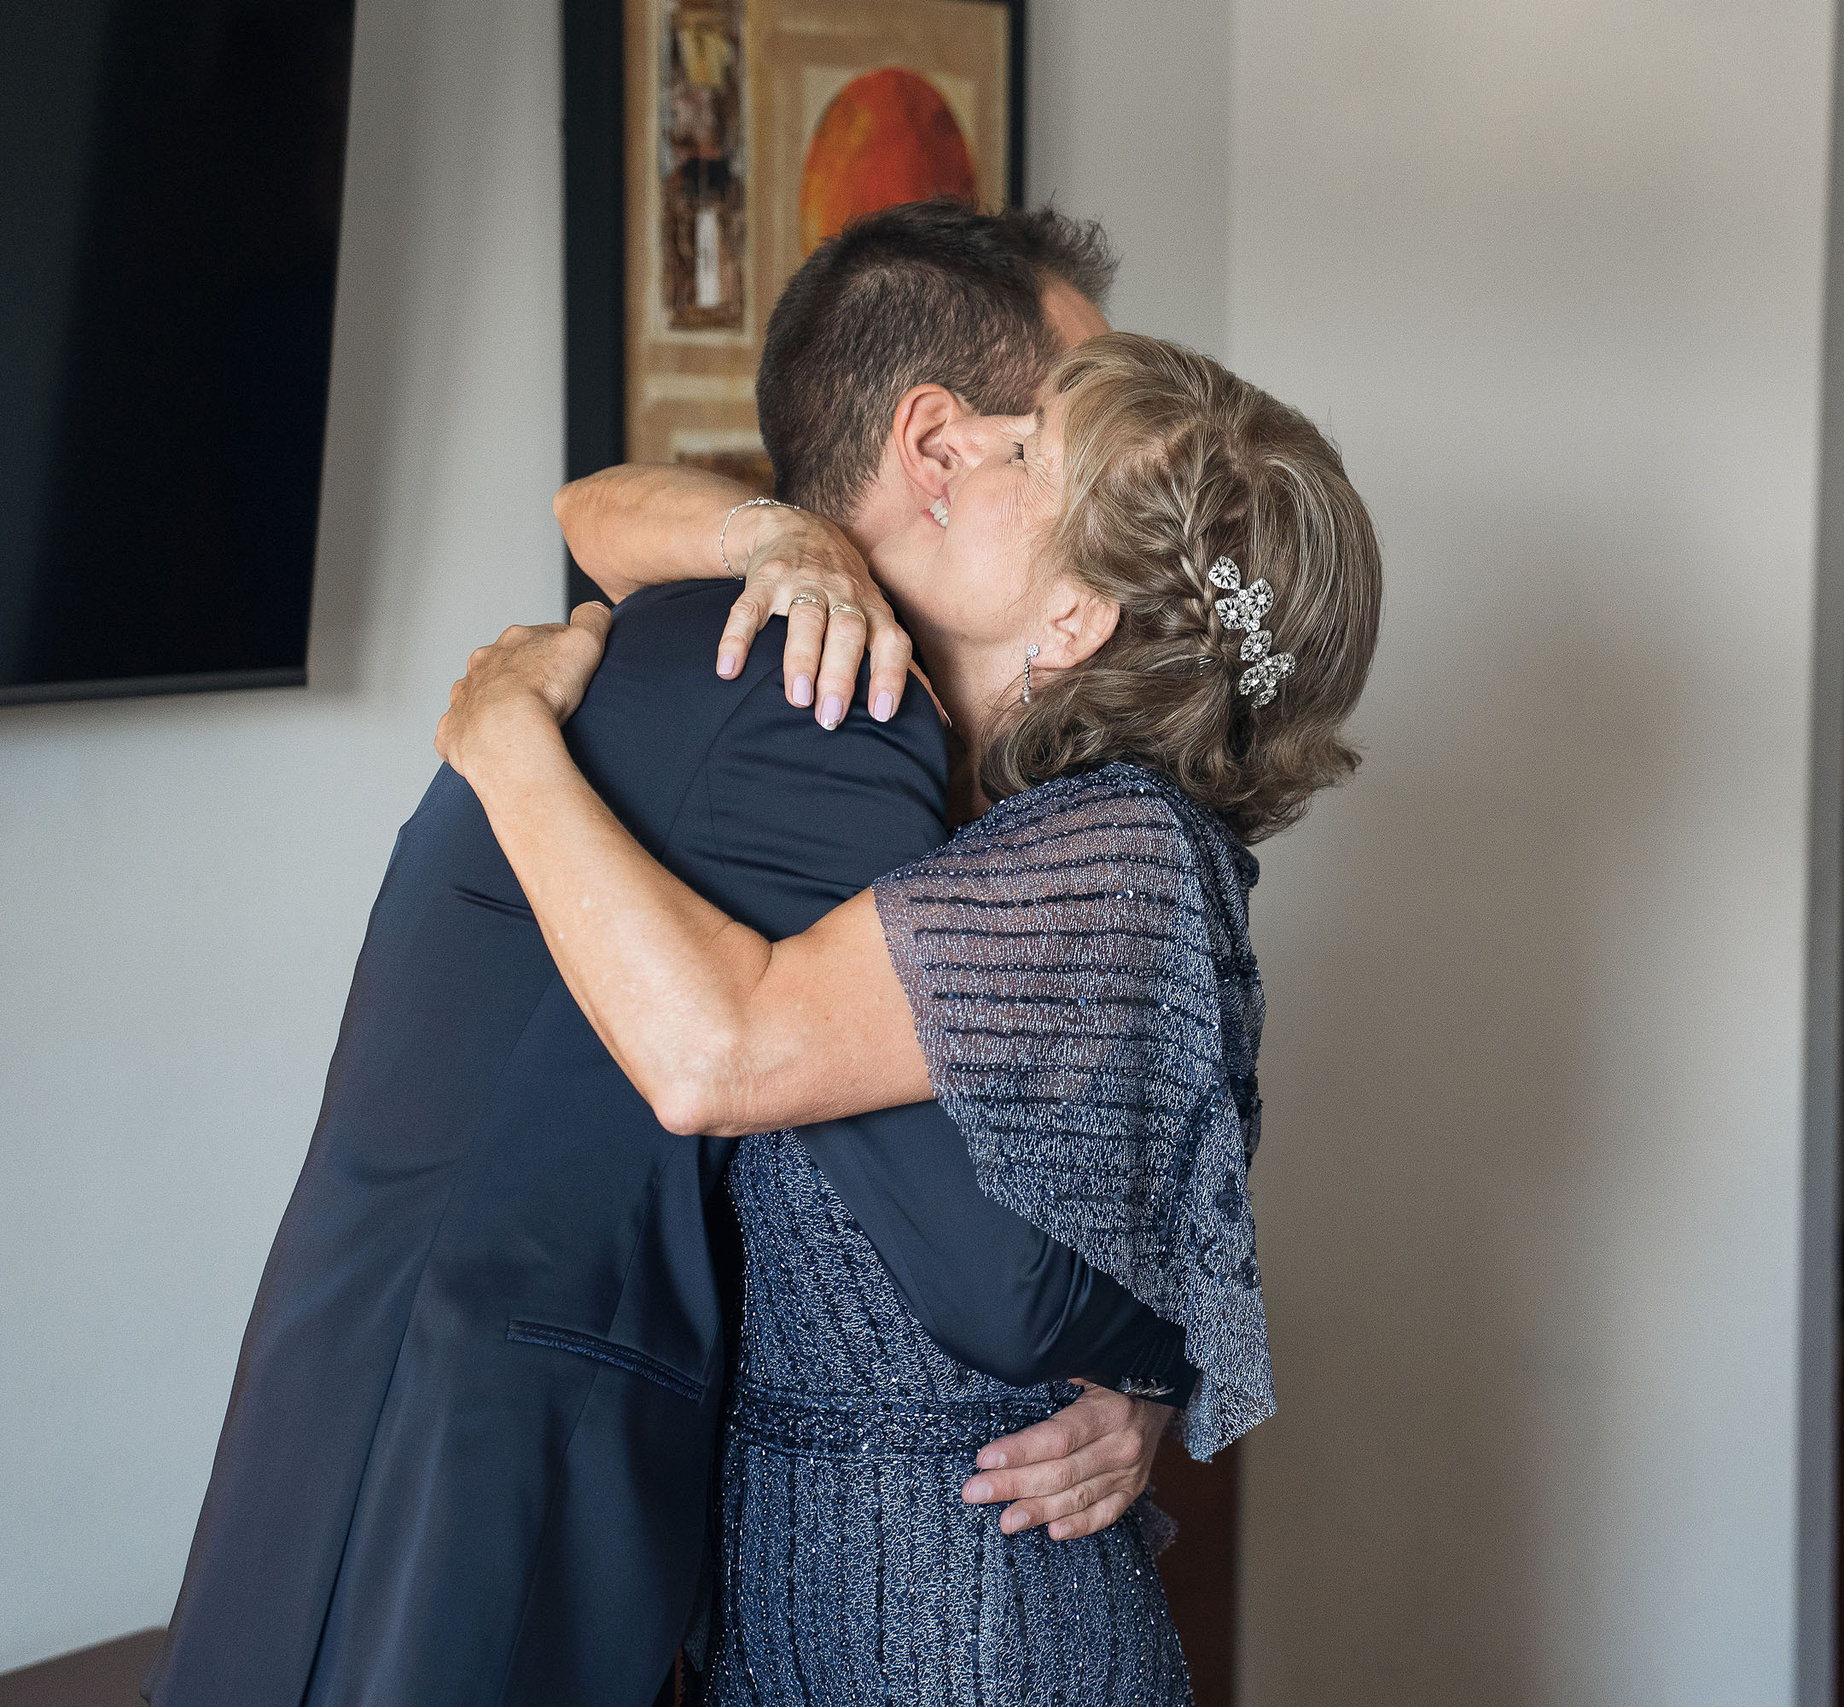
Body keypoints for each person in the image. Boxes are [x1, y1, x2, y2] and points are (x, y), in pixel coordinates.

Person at [149, 202, 1191, 1707]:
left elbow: (591, 507)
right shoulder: (832, 701)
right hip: (482, 1469)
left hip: (355, 1403)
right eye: (1073, 445)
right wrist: (1146, 1360)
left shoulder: (692, 637)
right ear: (943, 448)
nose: (1111, 494)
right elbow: (963, 1237)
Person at [433, 329, 1382, 1704]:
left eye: (1024, 451)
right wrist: (782, 538)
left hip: (966, 1634)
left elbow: (715, 1053)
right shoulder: (973, 777)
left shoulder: (1116, 849)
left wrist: (505, 747)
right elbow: (598, 515)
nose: (961, 448)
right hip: (802, 1599)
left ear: (1072, 621)